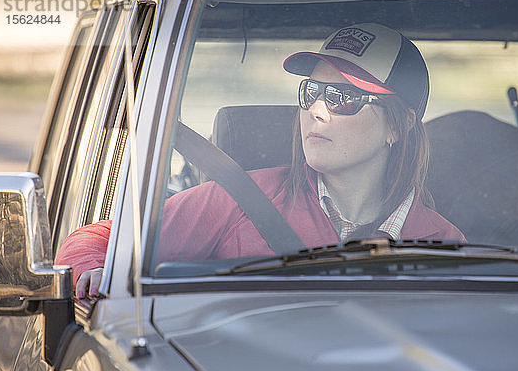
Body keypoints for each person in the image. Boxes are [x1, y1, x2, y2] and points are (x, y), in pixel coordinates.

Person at [55, 23, 465, 298]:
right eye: (311, 92)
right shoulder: (239, 199)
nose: (316, 111)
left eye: (343, 98)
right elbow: (96, 241)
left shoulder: (445, 244)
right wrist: (94, 271)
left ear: (399, 126)